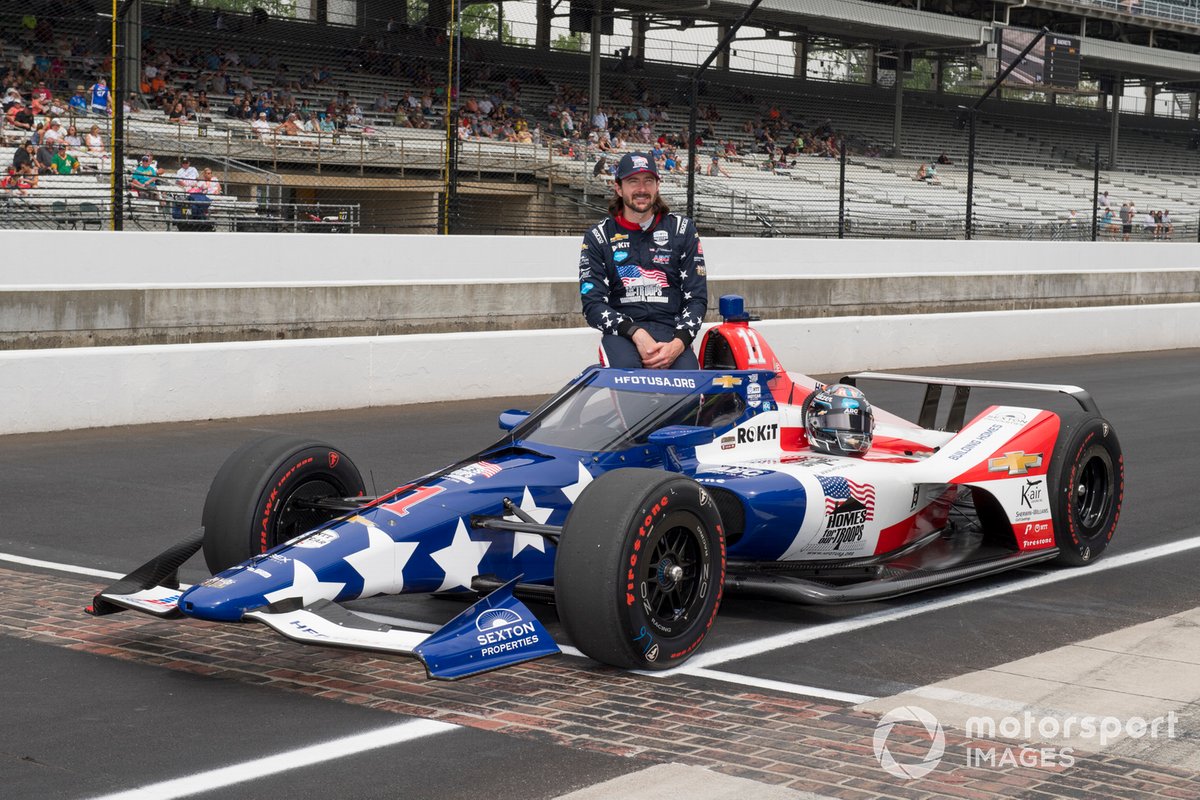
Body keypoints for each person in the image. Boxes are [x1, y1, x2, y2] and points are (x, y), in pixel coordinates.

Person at [579, 152, 708, 370]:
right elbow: (592, 304)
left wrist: (678, 343)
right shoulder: (599, 236)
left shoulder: (682, 230)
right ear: (618, 188)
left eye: (648, 181)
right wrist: (636, 333)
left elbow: (697, 298)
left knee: (688, 386)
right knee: (630, 378)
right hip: (622, 334)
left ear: (657, 186)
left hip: (672, 333)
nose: (642, 189)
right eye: (633, 181)